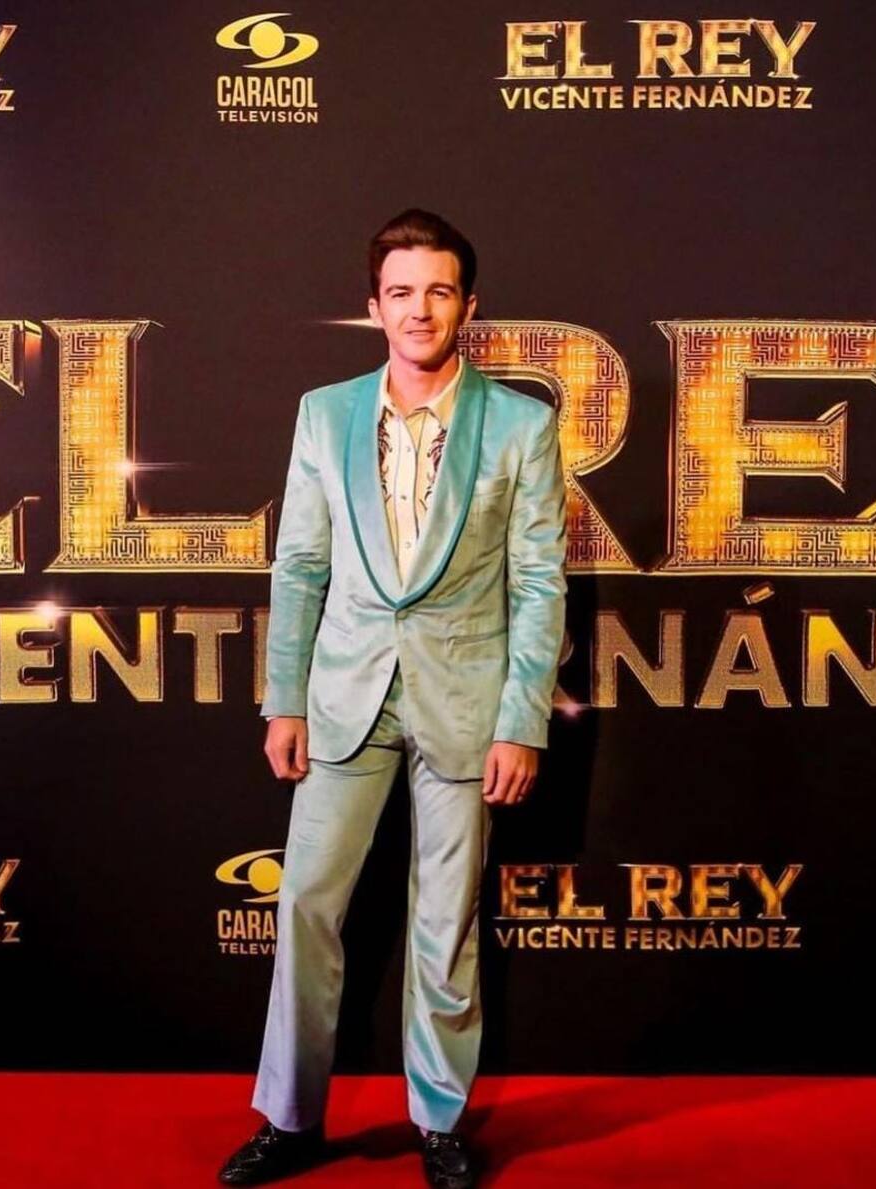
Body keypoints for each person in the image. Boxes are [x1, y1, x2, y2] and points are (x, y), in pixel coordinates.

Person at [219, 208, 568, 1189]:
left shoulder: (522, 424)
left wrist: (521, 719)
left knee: (445, 922)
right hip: (345, 697)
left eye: (439, 291)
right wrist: (284, 699)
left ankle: (440, 1121)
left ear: (469, 305)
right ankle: (291, 1118)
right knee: (306, 903)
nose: (421, 310)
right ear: (373, 306)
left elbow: (540, 583)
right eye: (402, 292)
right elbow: (300, 564)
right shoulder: (324, 414)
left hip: (468, 701)